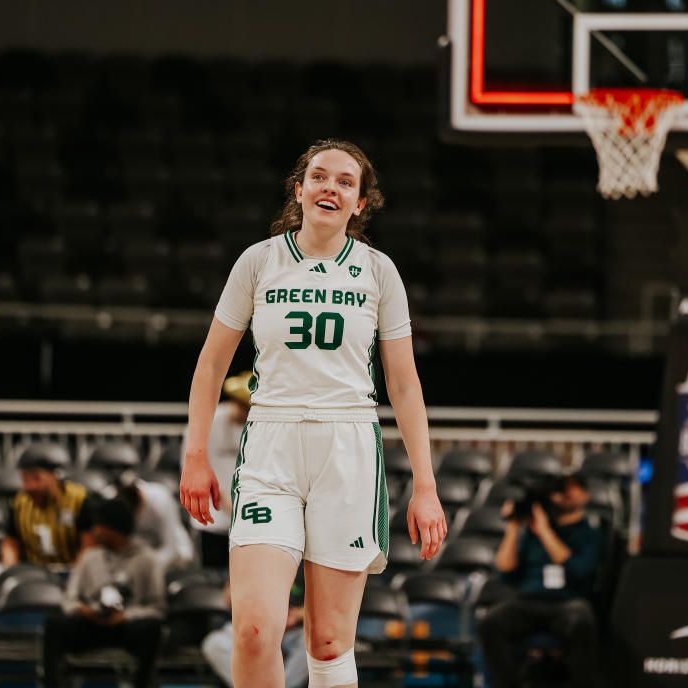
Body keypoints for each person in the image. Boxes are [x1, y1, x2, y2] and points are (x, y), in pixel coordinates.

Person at [180, 139, 447, 688]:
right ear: (298, 190)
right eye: (319, 177)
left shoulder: (378, 271)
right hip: (271, 442)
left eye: (346, 182)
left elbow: (403, 383)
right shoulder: (258, 261)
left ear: (361, 204)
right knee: (254, 629)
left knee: (328, 639)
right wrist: (196, 455)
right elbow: (210, 366)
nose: (331, 187)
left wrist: (426, 484)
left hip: (347, 444)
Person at [479, 473, 603, 688]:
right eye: (561, 491)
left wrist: (545, 531)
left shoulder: (589, 533)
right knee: (490, 622)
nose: (563, 496)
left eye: (571, 490)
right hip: (528, 601)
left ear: (585, 496)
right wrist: (513, 527)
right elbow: (505, 571)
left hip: (567, 603)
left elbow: (579, 571)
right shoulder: (531, 532)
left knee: (581, 620)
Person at [42, 497, 167, 688]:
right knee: (54, 625)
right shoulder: (89, 558)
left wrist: (126, 616)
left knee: (151, 629)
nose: (95, 531)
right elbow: (68, 599)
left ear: (113, 529)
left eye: (99, 525)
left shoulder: (147, 560)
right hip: (92, 623)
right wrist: (83, 610)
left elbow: (157, 608)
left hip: (127, 627)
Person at [185, 370, 251, 567]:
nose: (244, 410)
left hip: (248, 519)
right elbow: (192, 466)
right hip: (213, 519)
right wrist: (222, 500)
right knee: (211, 573)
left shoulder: (260, 426)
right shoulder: (210, 422)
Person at [202, 578, 309, 688]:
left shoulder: (305, 567)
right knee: (214, 643)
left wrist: (297, 615)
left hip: (292, 631)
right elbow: (229, 598)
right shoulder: (249, 563)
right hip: (252, 625)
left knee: (310, 641)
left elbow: (325, 609)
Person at [0, 448, 96, 566]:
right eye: (25, 479)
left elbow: (88, 547)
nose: (30, 486)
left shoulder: (78, 500)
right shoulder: (19, 504)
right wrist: (10, 566)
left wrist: (76, 574)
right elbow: (10, 543)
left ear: (53, 476)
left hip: (72, 570)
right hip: (33, 572)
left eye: (36, 478)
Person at [111, 470, 194, 569]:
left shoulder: (161, 498)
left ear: (140, 496)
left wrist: (147, 566)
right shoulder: (113, 498)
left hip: (176, 553)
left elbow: (170, 548)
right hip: (142, 551)